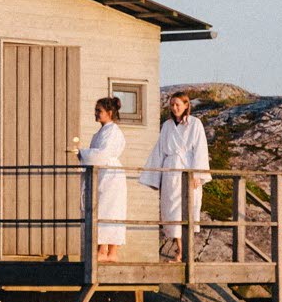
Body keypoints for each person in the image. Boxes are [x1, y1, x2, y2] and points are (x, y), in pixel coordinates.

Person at [139, 90, 211, 262]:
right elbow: (159, 151)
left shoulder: (195, 124)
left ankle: (185, 252)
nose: (174, 108)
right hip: (170, 172)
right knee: (171, 211)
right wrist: (154, 177)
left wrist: (197, 174)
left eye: (178, 104)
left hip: (187, 170)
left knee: (187, 209)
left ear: (186, 105)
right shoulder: (167, 126)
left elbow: (201, 149)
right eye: (172, 105)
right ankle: (180, 250)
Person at [77, 96, 127, 263]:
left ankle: (108, 250)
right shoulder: (100, 133)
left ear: (110, 113)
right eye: (96, 110)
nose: (96, 113)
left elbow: (103, 154)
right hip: (103, 173)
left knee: (110, 210)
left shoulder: (113, 131)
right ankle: (105, 250)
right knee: (103, 209)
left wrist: (82, 153)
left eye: (99, 110)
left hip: (111, 174)